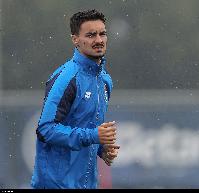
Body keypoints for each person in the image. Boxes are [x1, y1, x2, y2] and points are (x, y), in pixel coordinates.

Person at [31, 9, 120, 189]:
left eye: (102, 33)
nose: (99, 40)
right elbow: (46, 129)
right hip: (55, 185)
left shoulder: (104, 80)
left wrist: (102, 149)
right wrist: (94, 135)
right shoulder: (67, 77)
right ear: (75, 40)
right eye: (91, 35)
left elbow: (84, 128)